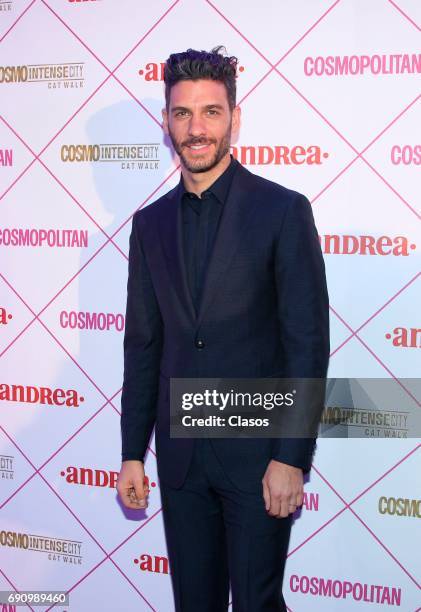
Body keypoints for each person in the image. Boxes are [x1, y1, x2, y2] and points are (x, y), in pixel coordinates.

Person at [117, 46, 329, 612]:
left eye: (211, 111)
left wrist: (291, 457)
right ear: (167, 122)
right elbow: (143, 344)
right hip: (181, 457)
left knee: (257, 604)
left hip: (258, 456)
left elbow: (306, 345)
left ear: (235, 119)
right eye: (182, 113)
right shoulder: (149, 224)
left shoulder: (282, 211)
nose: (196, 127)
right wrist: (132, 452)